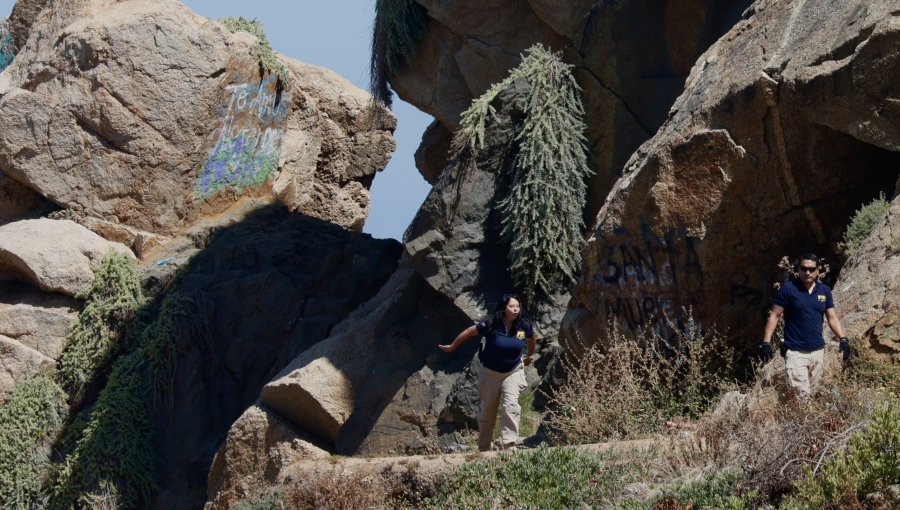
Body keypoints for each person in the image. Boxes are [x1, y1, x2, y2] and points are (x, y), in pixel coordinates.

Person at [439, 293, 537, 451]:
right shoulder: (491, 323)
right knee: (487, 412)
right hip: (490, 372)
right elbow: (470, 331)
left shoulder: (523, 326)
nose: (515, 309)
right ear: (504, 308)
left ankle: (509, 445)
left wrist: (530, 355)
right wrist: (452, 346)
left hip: (513, 371)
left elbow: (532, 338)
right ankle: (484, 447)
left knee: (511, 405)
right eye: (512, 306)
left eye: (517, 306)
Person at [760, 253, 850, 398]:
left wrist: (843, 338)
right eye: (804, 269)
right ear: (799, 270)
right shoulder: (788, 289)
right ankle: (801, 420)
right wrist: (766, 343)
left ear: (818, 270)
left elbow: (832, 317)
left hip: (818, 352)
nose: (808, 272)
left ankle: (805, 419)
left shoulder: (824, 291)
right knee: (803, 395)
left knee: (815, 394)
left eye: (811, 269)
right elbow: (775, 316)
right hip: (795, 352)